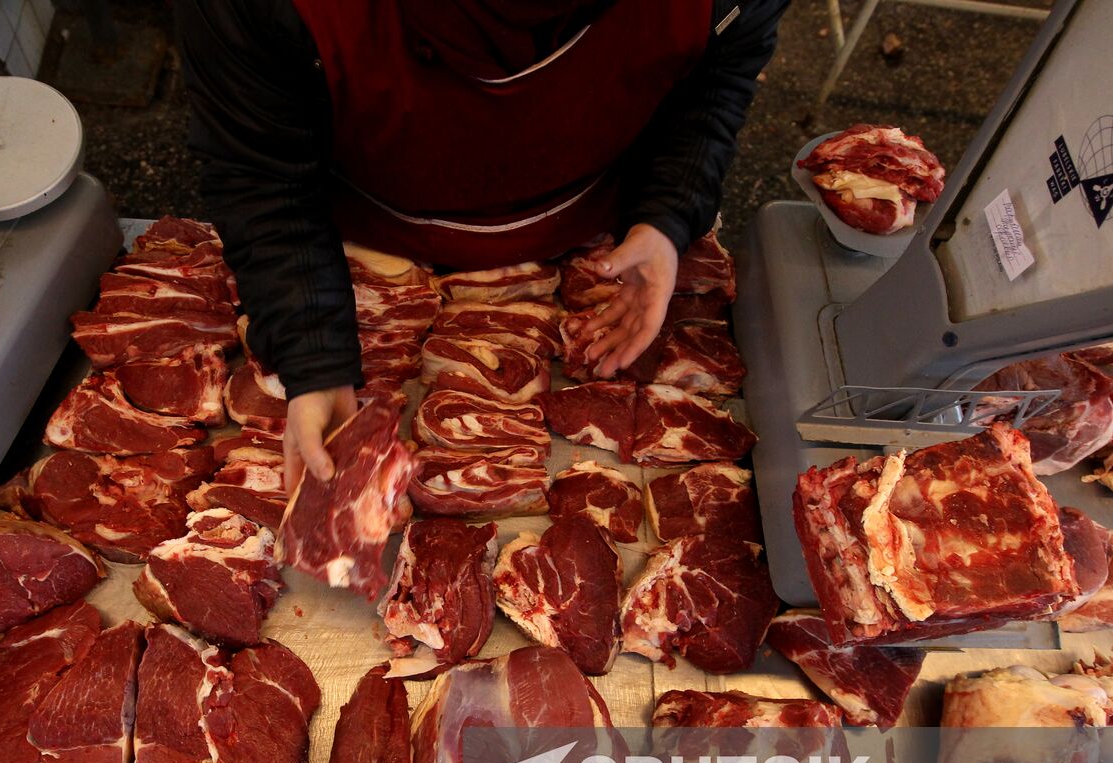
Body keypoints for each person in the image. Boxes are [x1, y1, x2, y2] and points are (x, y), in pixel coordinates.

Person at [176, 0, 789, 489]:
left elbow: (715, 78)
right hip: (363, 224)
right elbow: (261, 174)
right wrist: (312, 353)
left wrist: (667, 214)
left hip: (593, 220)